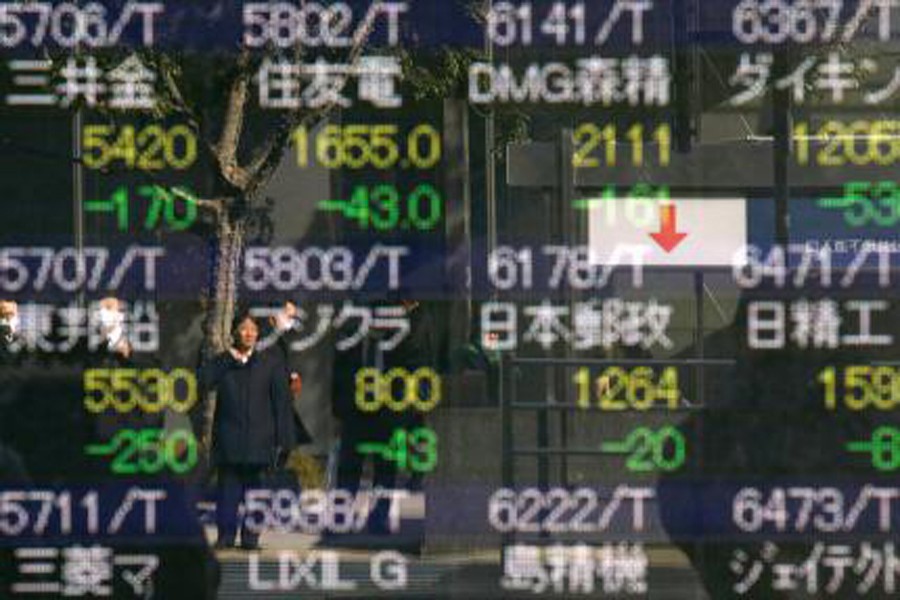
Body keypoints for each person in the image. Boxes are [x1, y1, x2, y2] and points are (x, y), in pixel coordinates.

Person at [199, 304, 309, 550]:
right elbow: (203, 381)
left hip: (261, 442)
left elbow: (281, 404)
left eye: (252, 329)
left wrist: (285, 440)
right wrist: (228, 358)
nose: (248, 333)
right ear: (235, 333)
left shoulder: (269, 364)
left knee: (257, 496)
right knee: (227, 495)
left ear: (258, 333)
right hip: (230, 441)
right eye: (243, 329)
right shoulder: (223, 362)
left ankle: (250, 539)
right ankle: (225, 537)